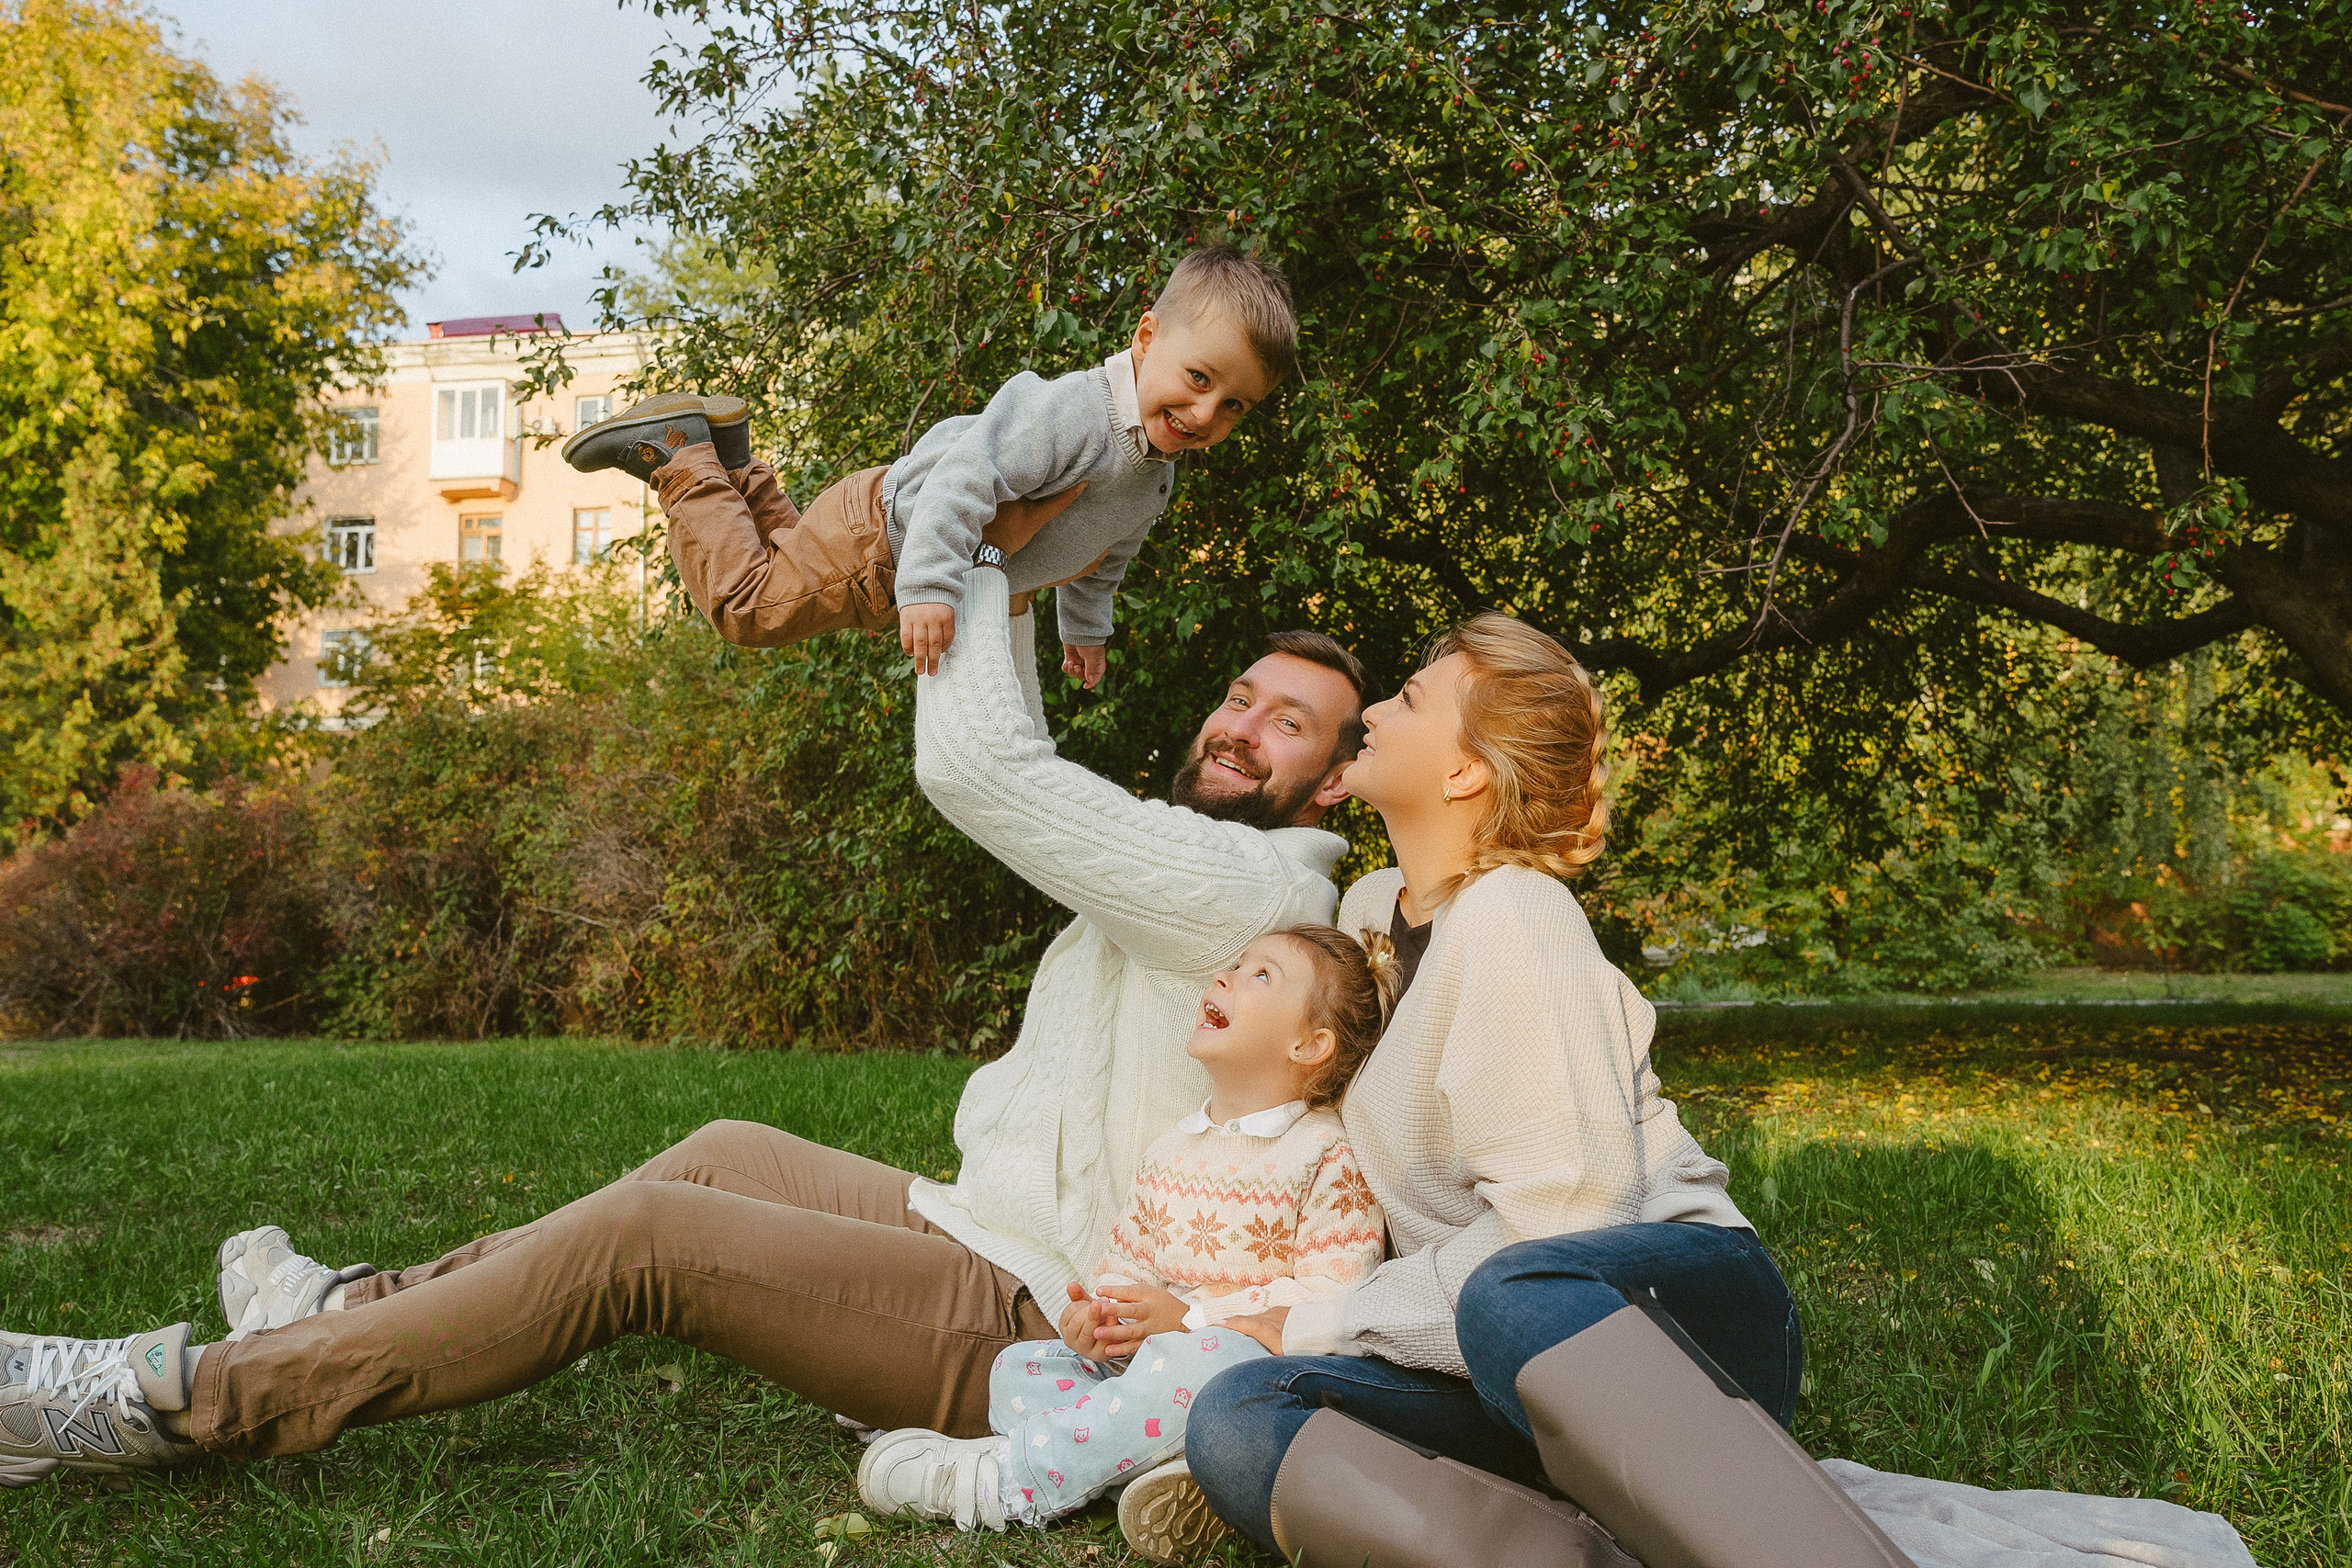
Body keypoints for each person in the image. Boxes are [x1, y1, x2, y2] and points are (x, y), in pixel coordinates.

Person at [0, 553, 1367, 1488]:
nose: (1245, 724)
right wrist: (1026, 563)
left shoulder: (1251, 884)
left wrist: (986, 542)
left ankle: (183, 1399)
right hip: (978, 1217)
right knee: (721, 1141)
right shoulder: (1180, 857)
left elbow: (980, 765)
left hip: (1043, 1306)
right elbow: (1042, 788)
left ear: (1323, 792)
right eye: (1243, 695)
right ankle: (345, 1305)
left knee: (659, 1241)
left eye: (1290, 724)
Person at [1173, 614, 1912, 1567]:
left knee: (1512, 1293)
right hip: (1492, 1351)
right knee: (1239, 1413)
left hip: (1659, 1319)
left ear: (1463, 774)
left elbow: (1569, 1217)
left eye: (1410, 698)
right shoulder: (1365, 912)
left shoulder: (1518, 913)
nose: (1378, 711)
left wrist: (1325, 1318)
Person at [854, 925, 1396, 1557]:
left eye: (1261, 975)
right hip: (1145, 1370)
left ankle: (1012, 1480)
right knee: (1021, 1368)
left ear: (1310, 1043)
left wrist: (1193, 1318)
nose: (1225, 975)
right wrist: (1097, 1318)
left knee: (1201, 1362)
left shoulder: (1324, 1151)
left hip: (1247, 1378)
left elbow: (1335, 1296)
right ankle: (1167, 1473)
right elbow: (1128, 1264)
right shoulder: (1172, 1148)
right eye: (1236, 963)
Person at [560, 244, 1295, 688]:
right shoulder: (1080, 414)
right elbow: (966, 475)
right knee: (749, 609)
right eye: (1200, 379)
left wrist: (1086, 629)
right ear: (1146, 337)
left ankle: (732, 456)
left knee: (778, 564)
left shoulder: (1154, 472)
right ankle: (680, 454)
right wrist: (929, 585)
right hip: (886, 543)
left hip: (891, 546)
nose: (1206, 415)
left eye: (1235, 407)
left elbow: (1105, 557)